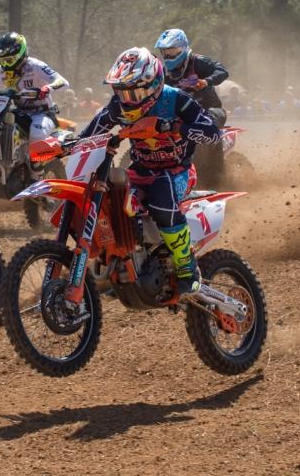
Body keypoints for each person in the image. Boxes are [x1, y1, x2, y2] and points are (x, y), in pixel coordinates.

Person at [79, 47, 221, 295]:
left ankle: (187, 266)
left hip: (177, 171)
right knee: (110, 198)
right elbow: (90, 132)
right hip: (140, 170)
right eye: (121, 92)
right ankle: (119, 262)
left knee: (161, 195)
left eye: (134, 92)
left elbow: (212, 133)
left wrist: (174, 126)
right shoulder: (119, 106)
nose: (127, 100)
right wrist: (64, 145)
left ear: (154, 85)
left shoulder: (176, 99)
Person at [155, 29, 229, 183]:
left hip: (210, 109)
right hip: (181, 113)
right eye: (165, 52)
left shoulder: (197, 62)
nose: (169, 56)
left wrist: (206, 81)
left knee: (210, 129)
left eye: (173, 51)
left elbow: (222, 70)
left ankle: (218, 175)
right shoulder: (162, 71)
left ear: (183, 48)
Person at [0, 32, 70, 146]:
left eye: (8, 60)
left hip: (42, 112)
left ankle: (37, 160)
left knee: (36, 135)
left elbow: (63, 82)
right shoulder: (2, 70)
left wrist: (46, 89)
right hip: (18, 111)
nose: (5, 64)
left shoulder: (35, 65)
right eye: (1, 61)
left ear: (20, 55)